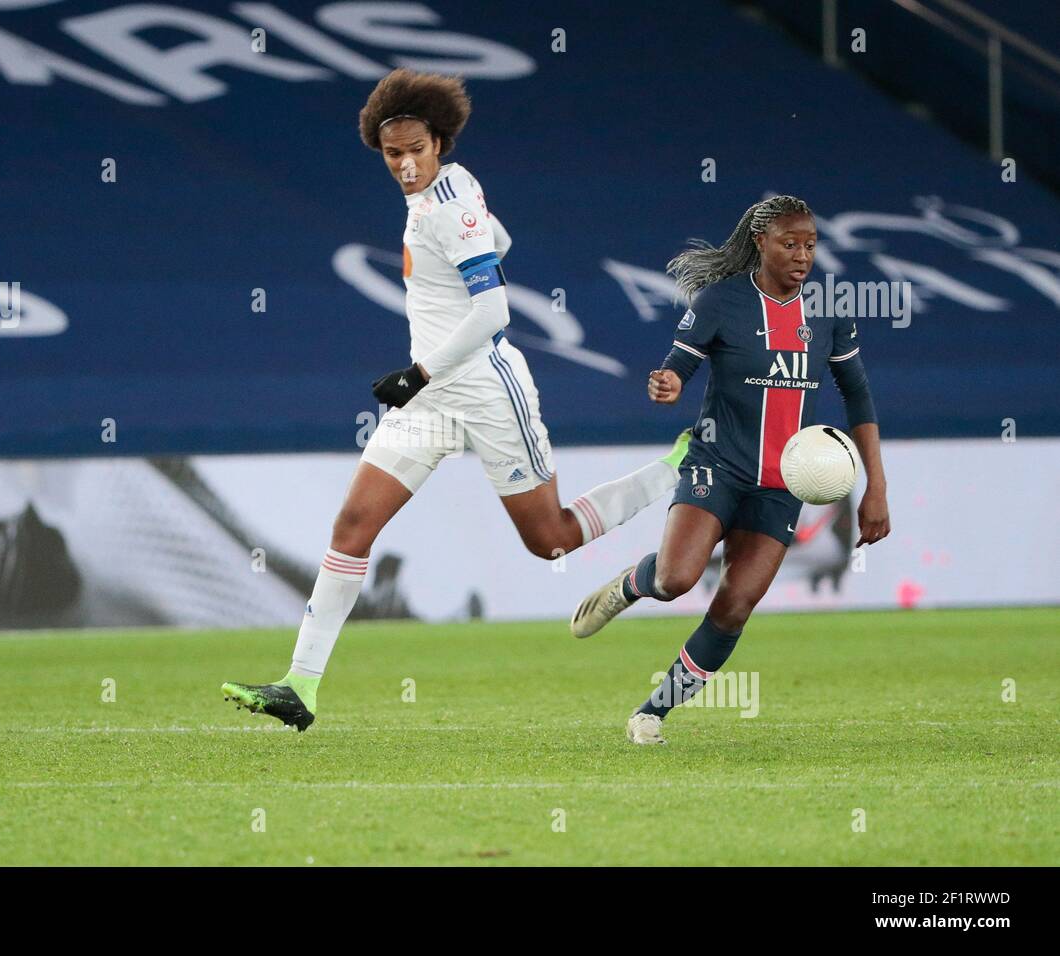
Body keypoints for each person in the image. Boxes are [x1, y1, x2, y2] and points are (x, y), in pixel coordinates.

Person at [221, 68, 688, 731]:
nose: (405, 164)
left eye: (416, 149)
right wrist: (426, 377)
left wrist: (418, 371)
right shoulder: (448, 191)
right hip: (433, 400)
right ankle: (300, 685)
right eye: (392, 154)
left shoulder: (448, 204)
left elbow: (494, 310)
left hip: (486, 391)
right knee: (354, 526)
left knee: (549, 541)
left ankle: (681, 463)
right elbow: (498, 244)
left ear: (439, 141)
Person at [569, 195, 891, 744]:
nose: (802, 255)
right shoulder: (722, 301)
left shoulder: (830, 313)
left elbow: (858, 398)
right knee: (675, 580)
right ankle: (631, 584)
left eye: (810, 244)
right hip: (716, 464)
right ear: (760, 242)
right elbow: (677, 368)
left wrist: (875, 489)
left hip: (783, 484)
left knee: (735, 606)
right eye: (789, 243)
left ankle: (651, 712)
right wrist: (667, 383)